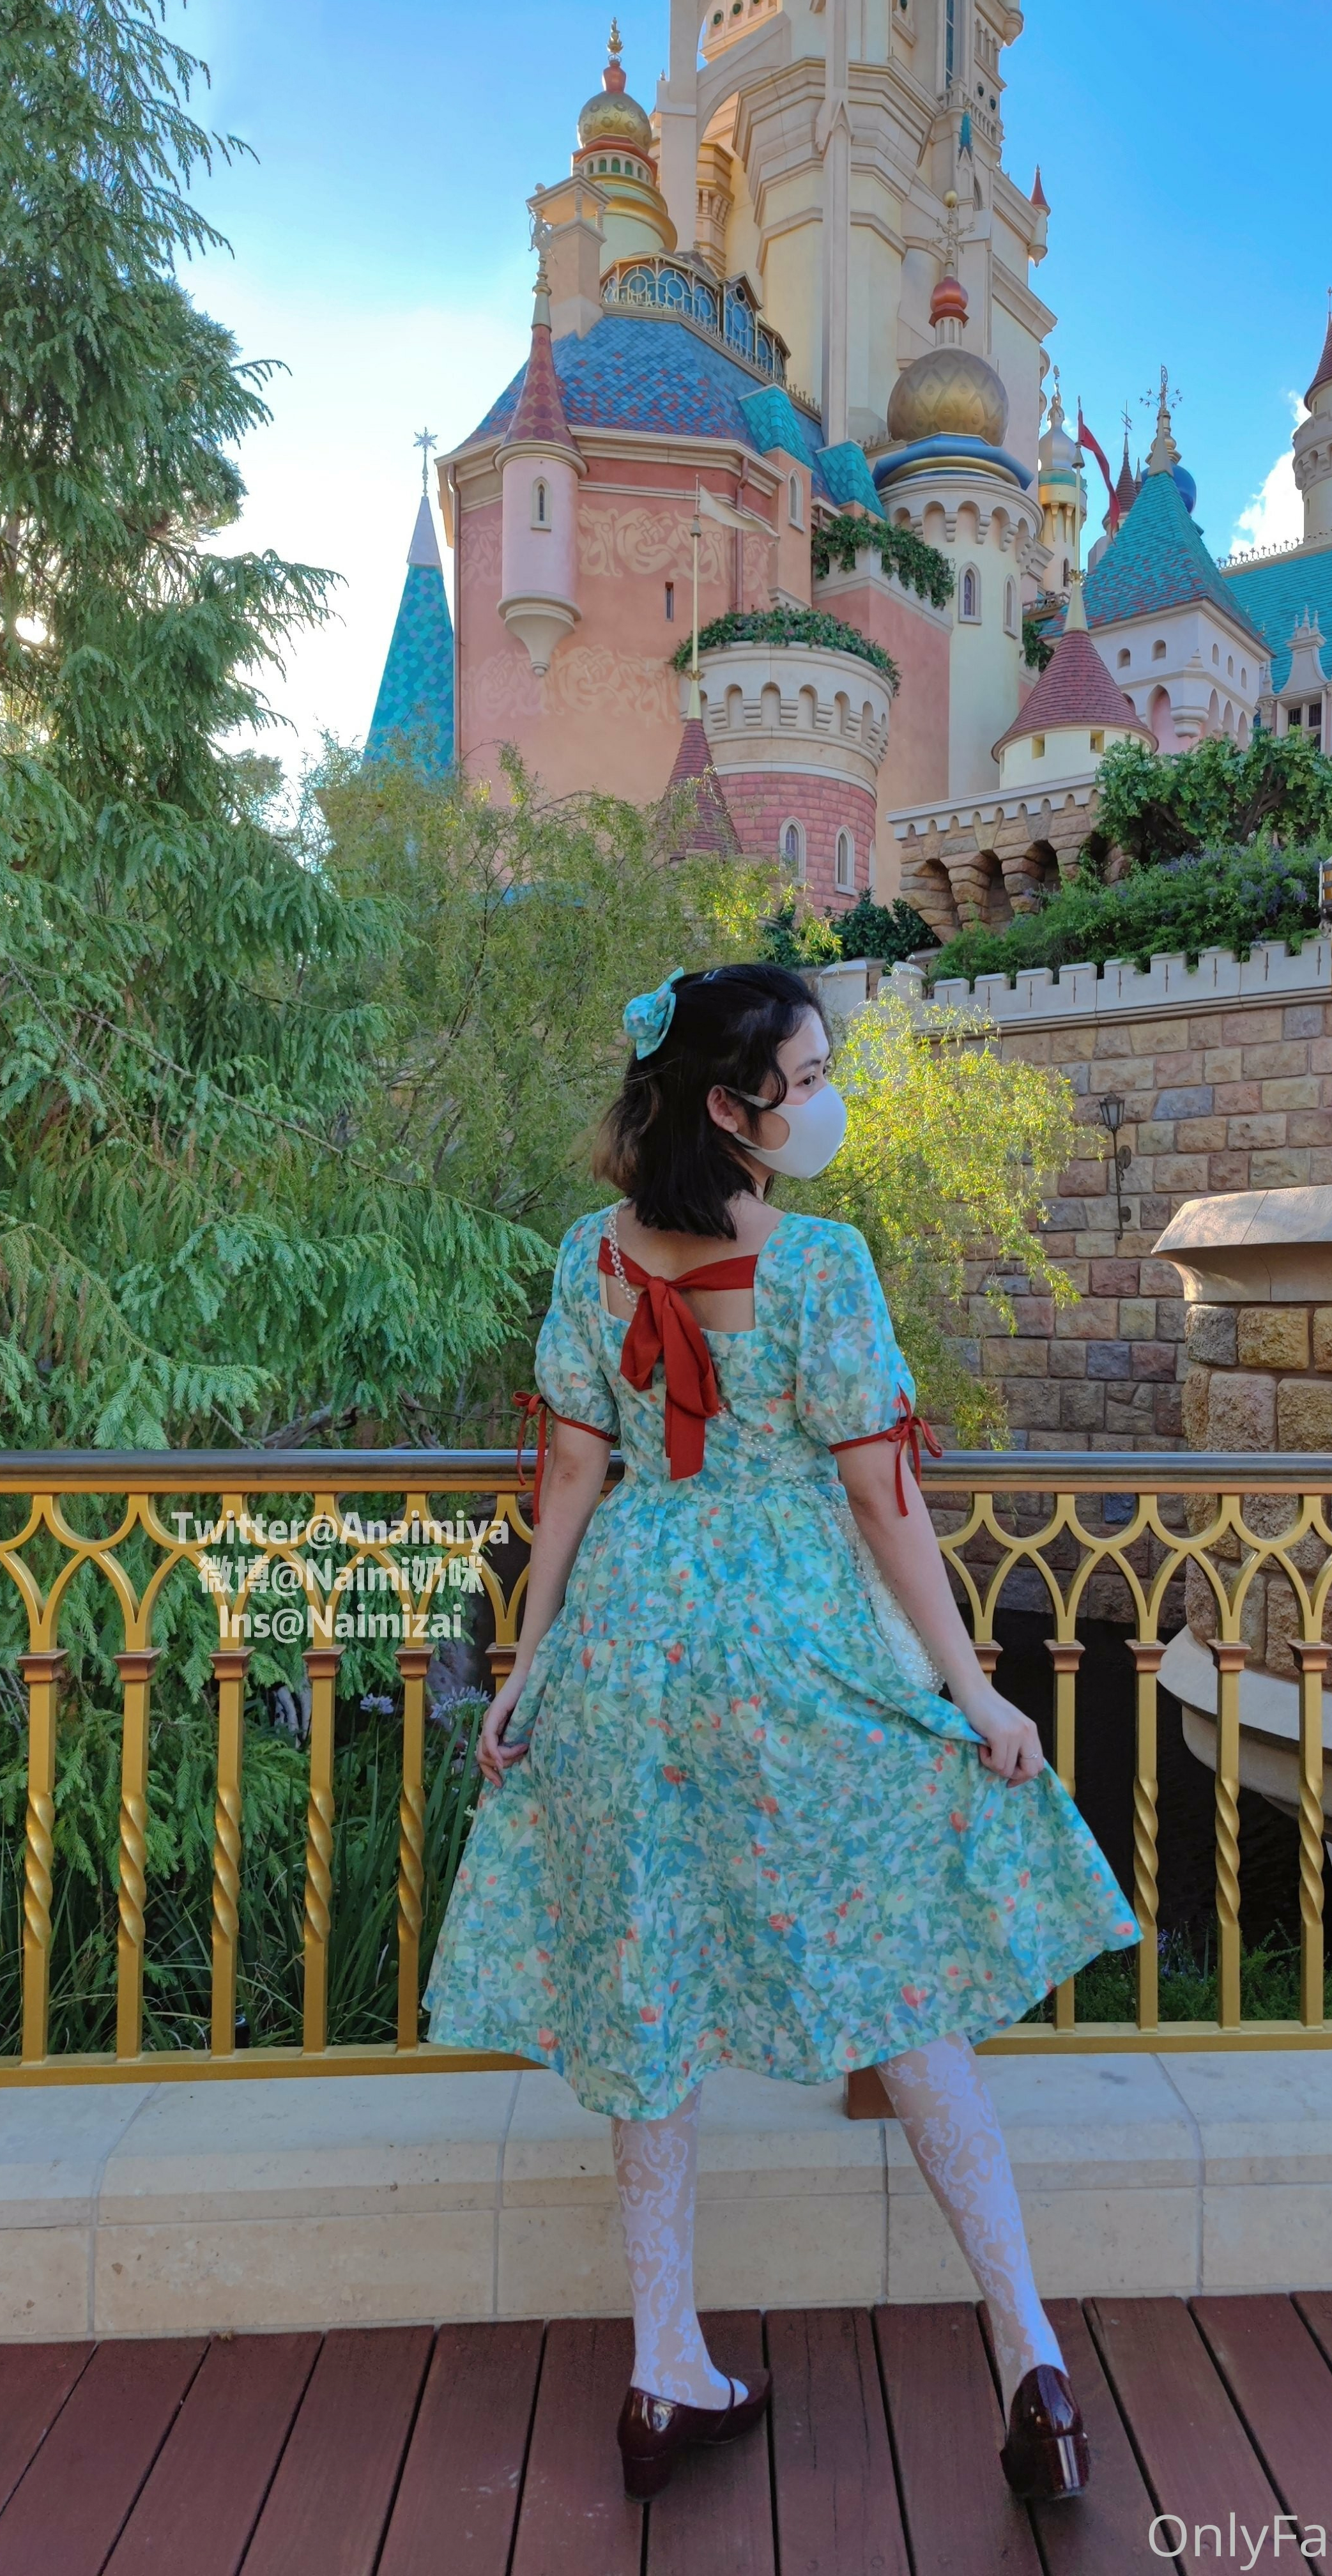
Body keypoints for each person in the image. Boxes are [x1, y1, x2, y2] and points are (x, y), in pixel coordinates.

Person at [426, 963, 1137, 2503]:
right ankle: (1029, 2355)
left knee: (649, 1989)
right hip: (792, 1642)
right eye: (803, 1082)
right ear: (731, 1107)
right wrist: (970, 1685)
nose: (822, 1103)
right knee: (900, 1979)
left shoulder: (592, 1254)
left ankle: (661, 2370)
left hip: (628, 1643)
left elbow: (569, 1477)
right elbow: (883, 1494)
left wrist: (528, 1664)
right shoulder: (820, 1263)